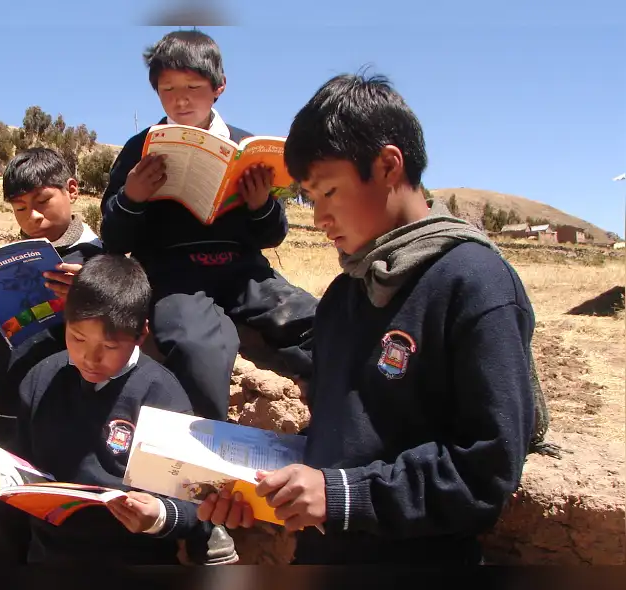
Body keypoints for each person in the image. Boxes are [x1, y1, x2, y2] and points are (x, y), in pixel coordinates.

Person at [196, 72, 537, 566]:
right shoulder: (345, 295)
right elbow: (347, 440)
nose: (319, 218)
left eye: (328, 192)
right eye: (311, 200)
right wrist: (262, 491)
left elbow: (485, 471)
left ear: (387, 166)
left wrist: (343, 496)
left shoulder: (473, 282)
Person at [99, 29, 317, 424]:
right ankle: (210, 450)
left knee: (315, 320)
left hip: (243, 272)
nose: (180, 98)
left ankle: (330, 414)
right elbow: (115, 240)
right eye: (168, 89)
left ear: (219, 87)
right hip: (173, 275)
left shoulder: (247, 146)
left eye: (193, 86)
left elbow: (273, 235)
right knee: (196, 344)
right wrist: (132, 197)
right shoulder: (139, 149)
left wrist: (260, 204)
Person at [0, 147, 103, 565]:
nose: (31, 217)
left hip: (61, 427)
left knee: (55, 546)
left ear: (72, 190)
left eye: (41, 203)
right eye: (19, 208)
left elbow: (121, 345)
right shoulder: (4, 268)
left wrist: (91, 298)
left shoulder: (102, 263)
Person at [11, 254, 217, 565]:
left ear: (140, 335)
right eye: (77, 338)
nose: (90, 358)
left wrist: (158, 516)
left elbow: (194, 505)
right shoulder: (41, 379)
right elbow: (20, 465)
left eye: (109, 347)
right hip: (50, 558)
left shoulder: (159, 395)